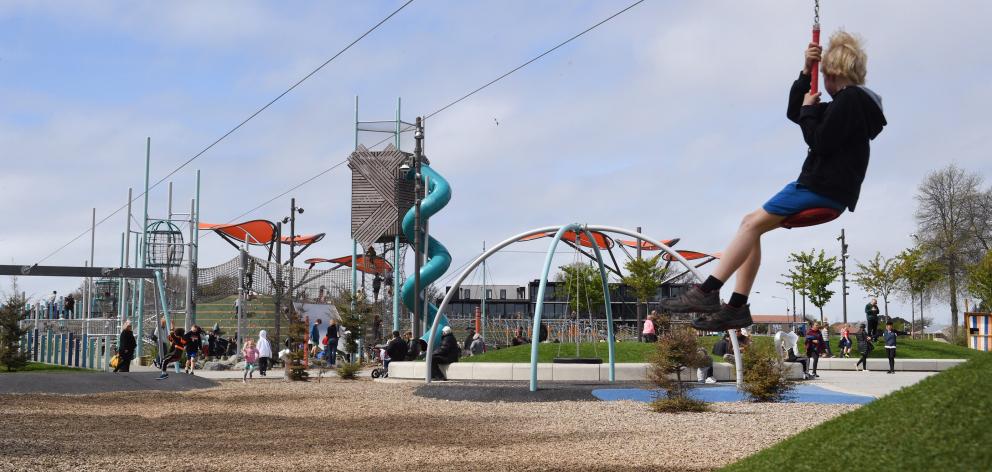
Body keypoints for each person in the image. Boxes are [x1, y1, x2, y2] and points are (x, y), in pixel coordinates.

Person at [660, 31, 886, 331]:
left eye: (823, 76)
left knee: (749, 224)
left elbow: (819, 141)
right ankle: (736, 308)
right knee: (752, 228)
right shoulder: (844, 105)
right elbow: (796, 112)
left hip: (820, 187)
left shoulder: (850, 100)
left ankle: (707, 291)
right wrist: (806, 74)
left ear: (833, 74)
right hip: (828, 189)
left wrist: (809, 110)